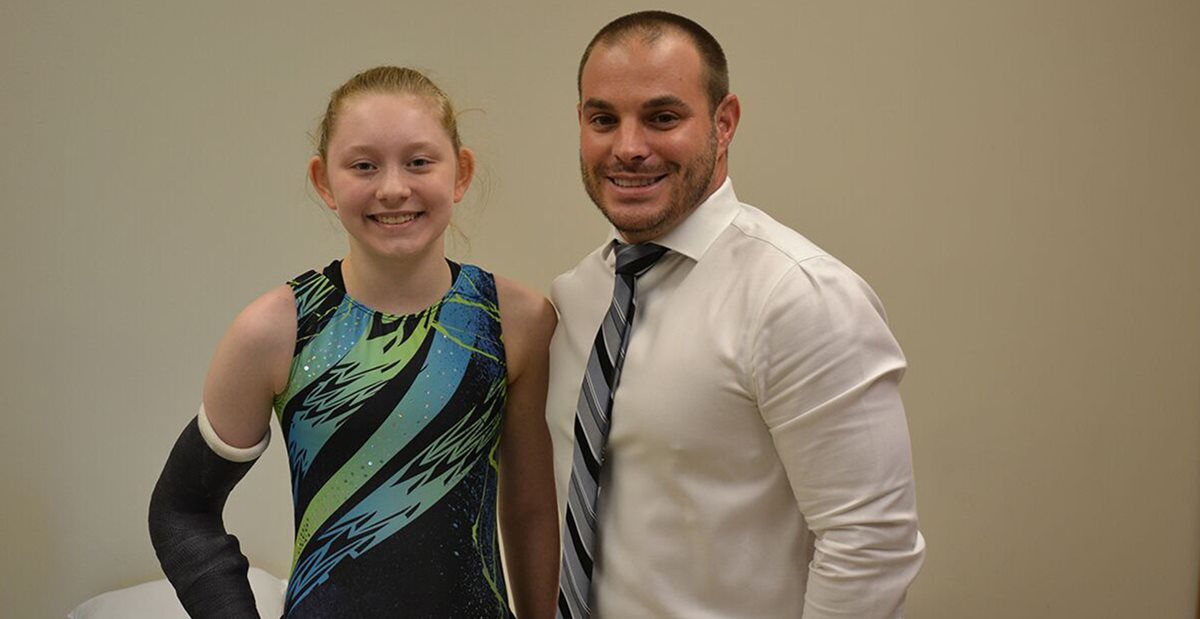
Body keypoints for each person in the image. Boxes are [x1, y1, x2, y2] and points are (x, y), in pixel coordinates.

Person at [547, 11, 925, 618]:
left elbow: (872, 546)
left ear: (724, 124)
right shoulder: (576, 297)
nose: (629, 147)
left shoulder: (797, 297)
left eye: (662, 117)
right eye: (603, 119)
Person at [149, 66, 559, 618]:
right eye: (364, 165)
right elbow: (181, 509)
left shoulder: (516, 321)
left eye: (419, 162)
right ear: (325, 182)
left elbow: (532, 508)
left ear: (460, 173)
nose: (393, 188)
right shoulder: (277, 330)